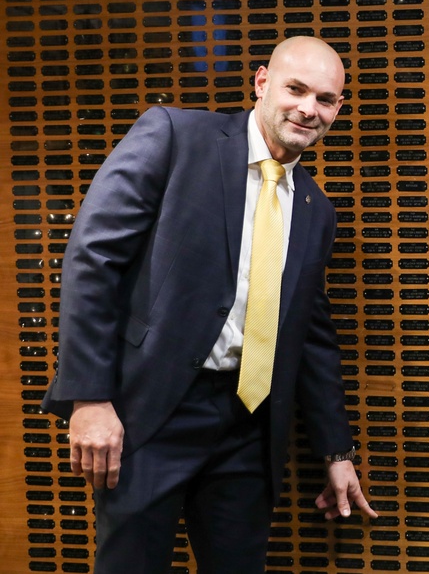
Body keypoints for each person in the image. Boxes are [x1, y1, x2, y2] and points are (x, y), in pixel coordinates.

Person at [42, 36, 377, 573]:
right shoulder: (175, 135)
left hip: (248, 427)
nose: (307, 109)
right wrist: (88, 398)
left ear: (338, 109)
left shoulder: (316, 209)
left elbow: (312, 338)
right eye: (295, 89)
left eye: (325, 99)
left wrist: (337, 452)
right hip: (149, 414)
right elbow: (92, 258)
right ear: (262, 82)